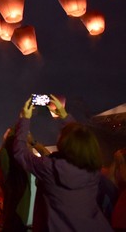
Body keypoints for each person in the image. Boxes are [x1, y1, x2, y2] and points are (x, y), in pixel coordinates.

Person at [12, 94, 112, 231]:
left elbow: (20, 153)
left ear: (64, 143)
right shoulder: (93, 169)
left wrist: (24, 119)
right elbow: (80, 138)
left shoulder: (51, 168)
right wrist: (64, 115)